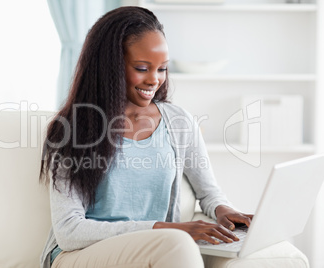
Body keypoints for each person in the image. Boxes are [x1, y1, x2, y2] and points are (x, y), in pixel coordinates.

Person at [39, 6, 252, 268]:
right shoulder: (73, 128)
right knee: (176, 243)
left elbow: (209, 194)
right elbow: (69, 231)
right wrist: (165, 229)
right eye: (142, 68)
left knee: (176, 244)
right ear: (110, 67)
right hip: (80, 255)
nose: (155, 80)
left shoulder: (179, 122)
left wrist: (224, 210)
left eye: (162, 69)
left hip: (152, 251)